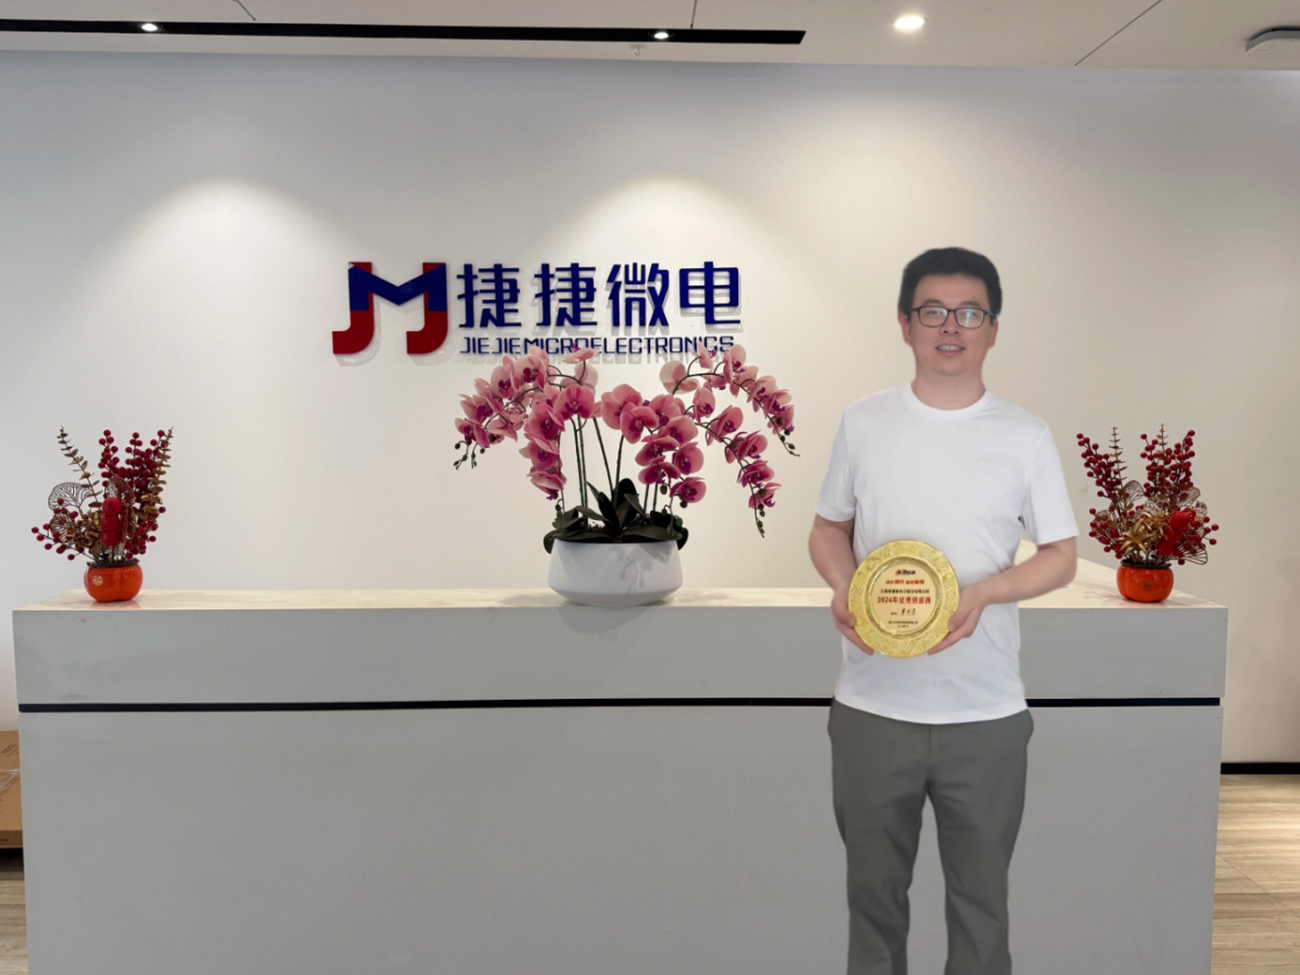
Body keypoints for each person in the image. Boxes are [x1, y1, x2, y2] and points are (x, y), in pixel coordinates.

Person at [808, 247, 1079, 975]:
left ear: (993, 327)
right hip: (872, 704)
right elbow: (828, 528)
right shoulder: (864, 421)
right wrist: (844, 584)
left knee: (982, 910)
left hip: (985, 711)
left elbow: (1060, 555)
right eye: (933, 311)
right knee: (873, 906)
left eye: (969, 312)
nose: (950, 326)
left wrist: (985, 592)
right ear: (904, 323)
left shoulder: (1024, 435)